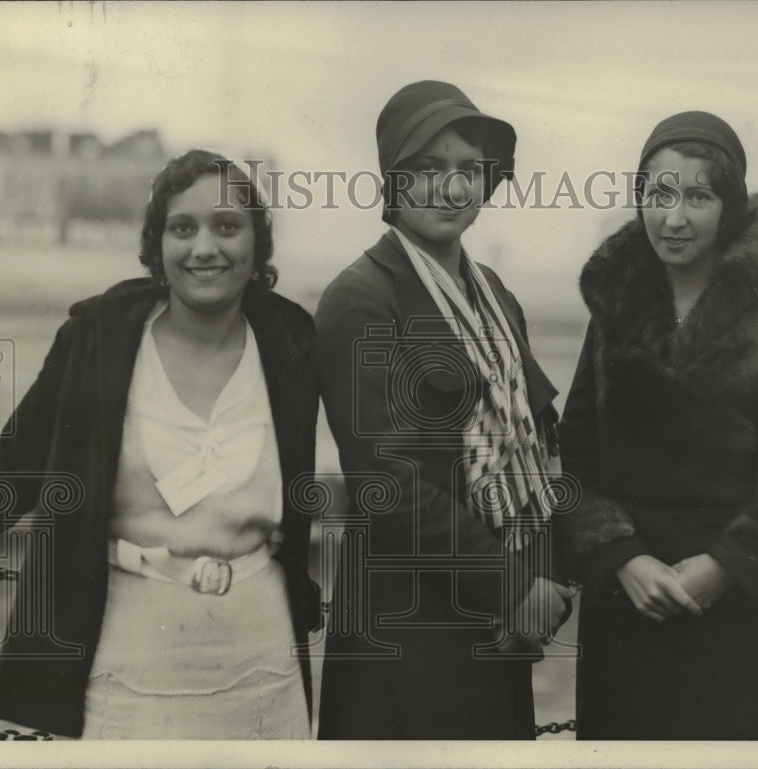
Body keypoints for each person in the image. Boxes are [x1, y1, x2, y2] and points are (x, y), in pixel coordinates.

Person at [0, 150, 320, 739]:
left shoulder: (290, 340)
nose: (204, 248)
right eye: (182, 228)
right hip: (131, 666)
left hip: (265, 665)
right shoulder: (100, 338)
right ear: (156, 243)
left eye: (227, 226)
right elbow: (15, 476)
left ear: (257, 243)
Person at [556, 111, 758, 740]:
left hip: (742, 617)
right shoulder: (617, 303)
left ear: (730, 206)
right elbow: (575, 454)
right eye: (659, 194)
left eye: (698, 196)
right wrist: (620, 558)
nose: (673, 218)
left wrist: (731, 563)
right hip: (626, 613)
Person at [314, 80, 574, 739]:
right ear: (393, 178)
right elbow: (386, 482)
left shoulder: (494, 294)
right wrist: (512, 588)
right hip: (404, 634)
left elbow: (534, 449)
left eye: (470, 171)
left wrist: (540, 582)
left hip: (498, 631)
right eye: (428, 169)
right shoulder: (360, 298)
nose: (453, 190)